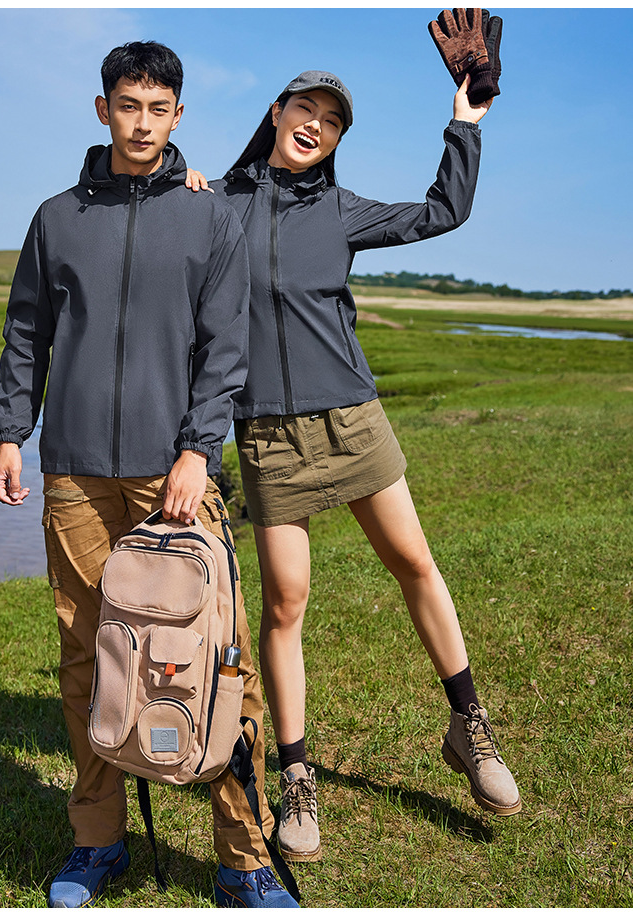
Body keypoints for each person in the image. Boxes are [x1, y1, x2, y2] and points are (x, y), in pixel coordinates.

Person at [0, 41, 297, 909]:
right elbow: (25, 331)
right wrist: (12, 432)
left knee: (219, 657)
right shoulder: (56, 217)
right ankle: (98, 841)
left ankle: (244, 857)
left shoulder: (208, 217)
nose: (142, 123)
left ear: (178, 115)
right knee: (88, 656)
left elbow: (225, 347)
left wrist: (198, 450)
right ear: (103, 110)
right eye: (128, 106)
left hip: (175, 473)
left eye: (159, 109)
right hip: (75, 472)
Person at [197, 65, 522, 864]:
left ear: (337, 138)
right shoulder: (219, 204)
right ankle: (297, 775)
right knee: (286, 603)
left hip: (352, 418)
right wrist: (180, 177)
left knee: (414, 562)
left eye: (332, 121)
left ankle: (470, 724)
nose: (315, 125)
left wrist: (466, 122)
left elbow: (443, 210)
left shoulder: (340, 210)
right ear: (277, 112)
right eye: (305, 109)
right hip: (268, 433)